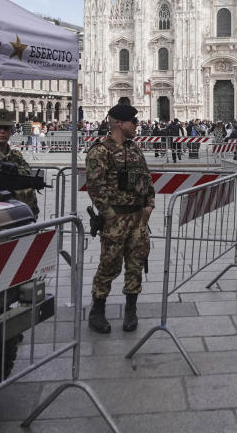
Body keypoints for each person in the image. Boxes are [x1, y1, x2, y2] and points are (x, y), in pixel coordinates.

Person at [86, 104, 155, 334]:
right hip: (116, 218)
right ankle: (97, 310)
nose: (137, 125)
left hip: (138, 219)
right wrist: (110, 217)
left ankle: (130, 311)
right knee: (109, 265)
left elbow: (146, 179)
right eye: (133, 122)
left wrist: (148, 206)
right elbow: (96, 188)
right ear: (119, 124)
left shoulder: (134, 149)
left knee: (135, 264)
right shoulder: (100, 151)